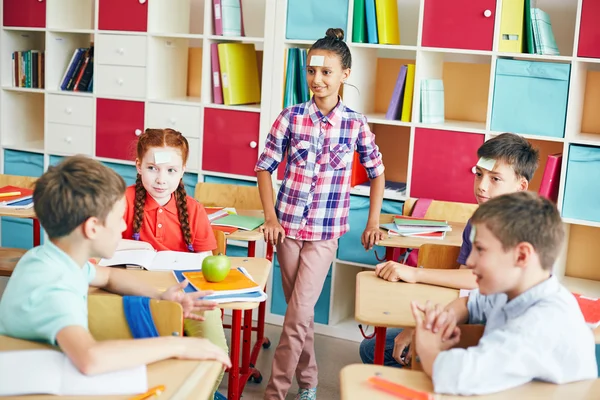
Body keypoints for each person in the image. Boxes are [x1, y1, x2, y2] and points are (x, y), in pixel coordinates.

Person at [0, 155, 231, 375]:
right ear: (92, 228)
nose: (123, 227)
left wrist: (160, 296)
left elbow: (109, 277)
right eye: (119, 218)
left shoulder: (53, 258)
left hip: (44, 366)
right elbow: (90, 359)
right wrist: (178, 345)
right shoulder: (55, 286)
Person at [255, 28, 386, 400]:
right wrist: (270, 218)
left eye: (327, 72)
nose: (317, 80)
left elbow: (377, 173)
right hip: (287, 229)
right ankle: (309, 381)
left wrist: (373, 221)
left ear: (345, 74)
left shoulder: (355, 123)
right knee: (301, 313)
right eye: (312, 71)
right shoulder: (290, 118)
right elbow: (264, 168)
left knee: (296, 314)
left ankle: (275, 392)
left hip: (326, 233)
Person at [360, 132, 540, 367]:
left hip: (499, 336)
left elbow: (475, 280)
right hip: (469, 315)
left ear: (521, 185)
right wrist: (419, 327)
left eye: (495, 179)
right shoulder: (477, 220)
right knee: (372, 350)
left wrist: (415, 275)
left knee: (386, 354)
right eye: (479, 175)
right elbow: (464, 283)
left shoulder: (520, 229)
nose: (482, 186)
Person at [411, 191, 597, 395]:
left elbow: (455, 375)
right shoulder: (517, 290)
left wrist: (427, 346)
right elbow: (470, 304)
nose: (470, 261)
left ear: (521, 255)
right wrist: (446, 319)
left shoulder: (540, 323)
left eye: (480, 249)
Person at [119, 128, 229, 399]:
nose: (160, 179)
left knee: (216, 354)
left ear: (182, 171)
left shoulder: (193, 210)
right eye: (153, 168)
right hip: (132, 293)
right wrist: (140, 245)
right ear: (138, 166)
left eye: (170, 170)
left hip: (185, 295)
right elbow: (99, 246)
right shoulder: (121, 200)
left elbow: (205, 264)